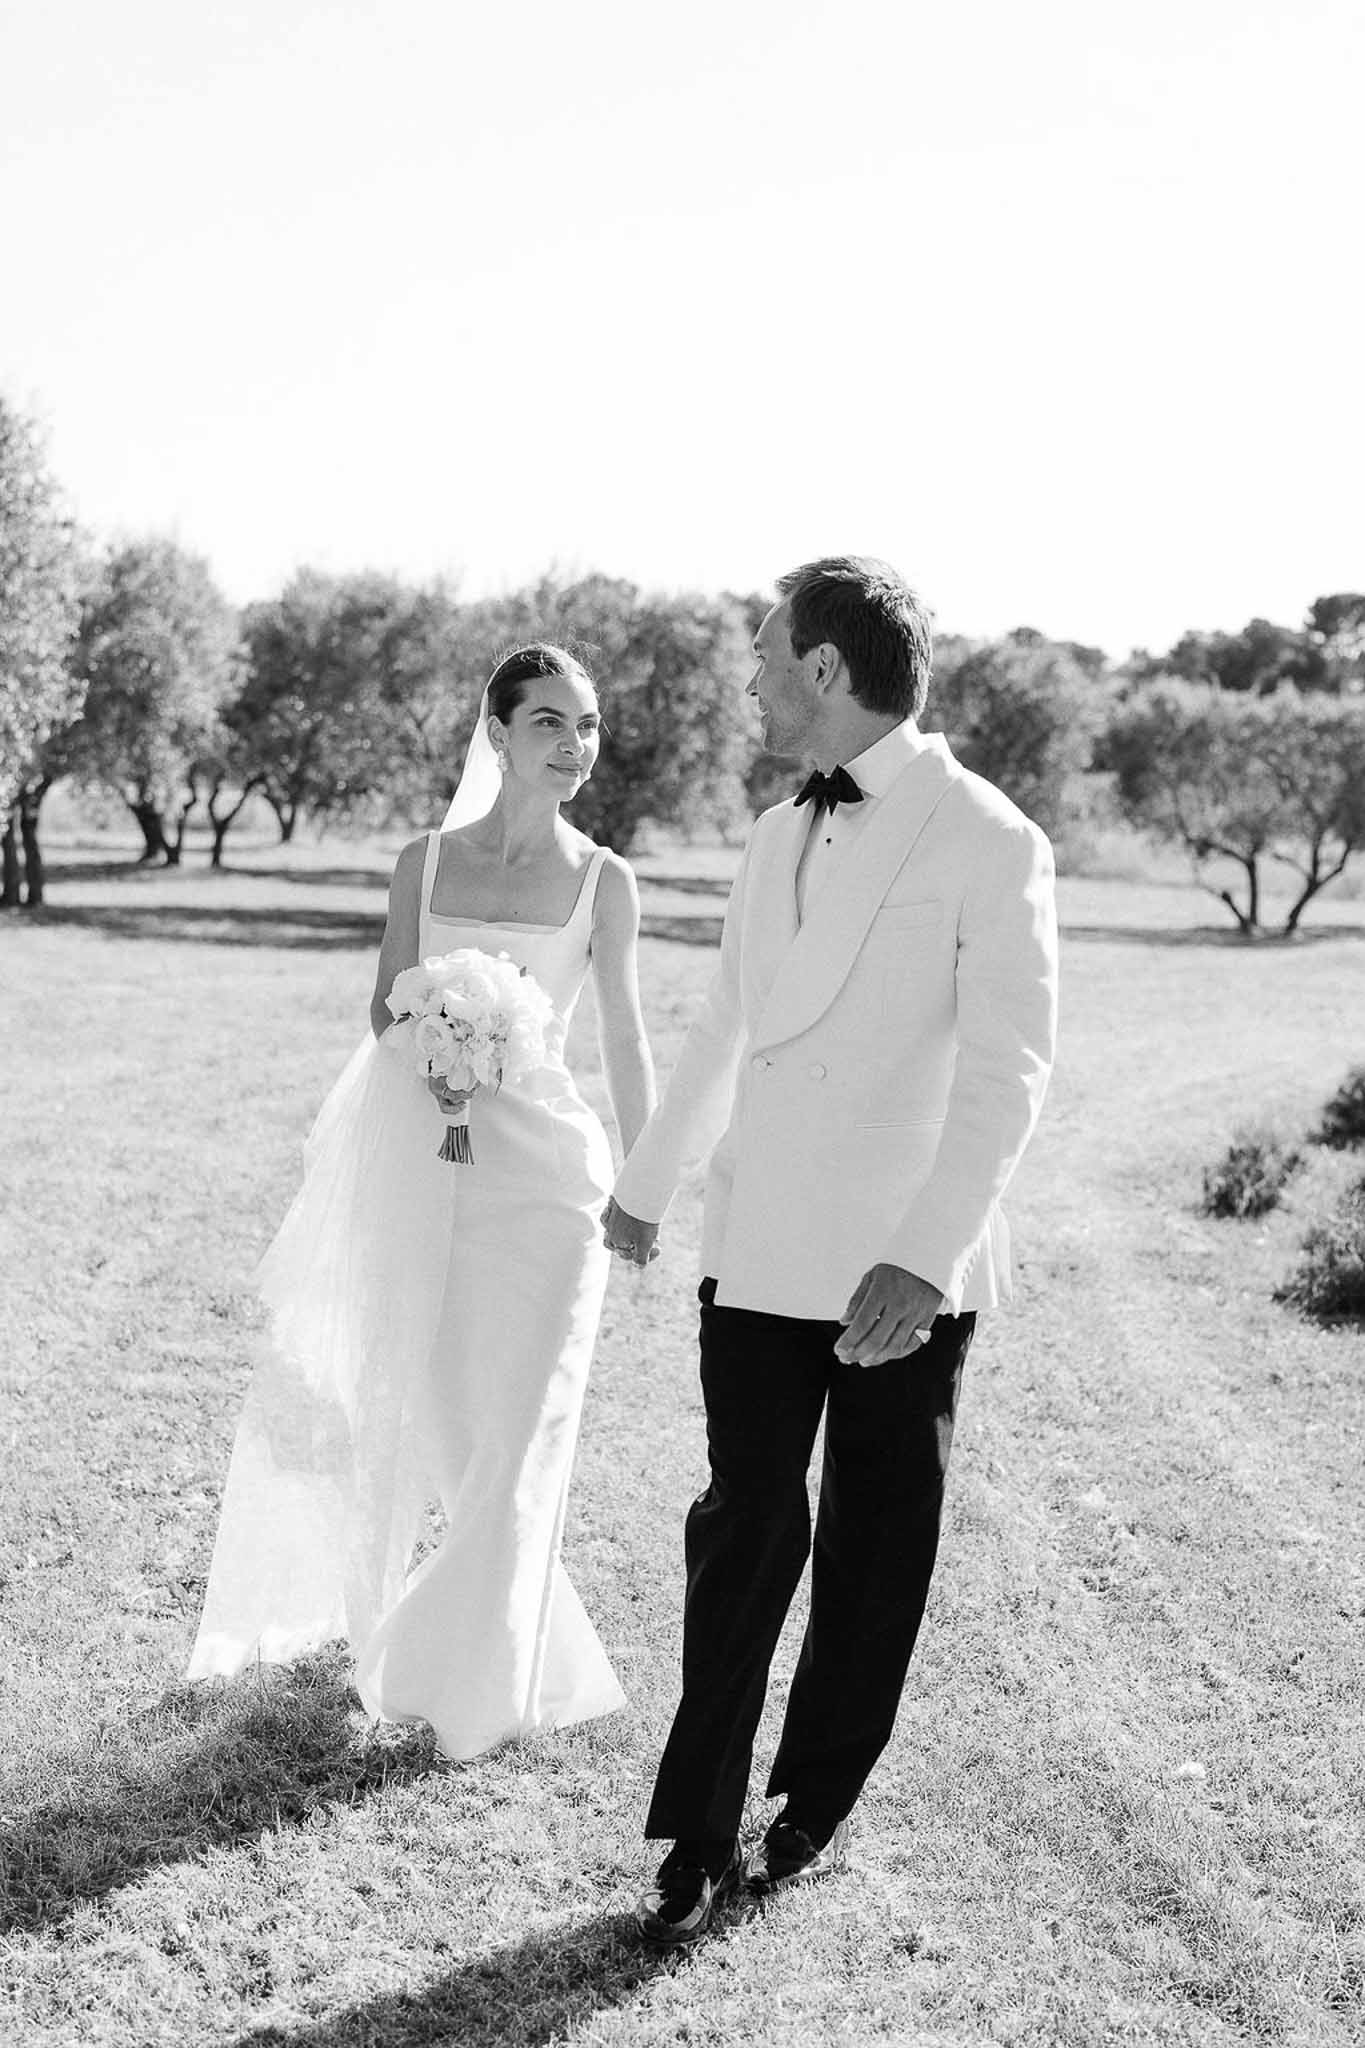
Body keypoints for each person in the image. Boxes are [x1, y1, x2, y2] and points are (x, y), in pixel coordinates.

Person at [601, 557, 1059, 1943]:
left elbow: (1009, 1070)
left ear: (823, 670)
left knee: (874, 1550)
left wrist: (926, 1256)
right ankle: (694, 1830)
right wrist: (647, 1184)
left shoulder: (989, 837)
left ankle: (807, 1807)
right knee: (744, 1525)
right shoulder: (765, 832)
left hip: (898, 1273)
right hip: (760, 1243)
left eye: (761, 654)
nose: (745, 677)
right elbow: (727, 1025)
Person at [187, 643, 656, 1761]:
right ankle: (492, 1652)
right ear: (497, 733)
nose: (573, 744)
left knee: (523, 1437)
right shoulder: (424, 863)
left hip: (551, 1188)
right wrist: (432, 1047)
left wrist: (645, 1179)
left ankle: (467, 1690)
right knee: (448, 1429)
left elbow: (627, 1035)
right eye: (548, 720)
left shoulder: (608, 879)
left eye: (588, 725)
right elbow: (383, 1003)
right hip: (432, 1178)